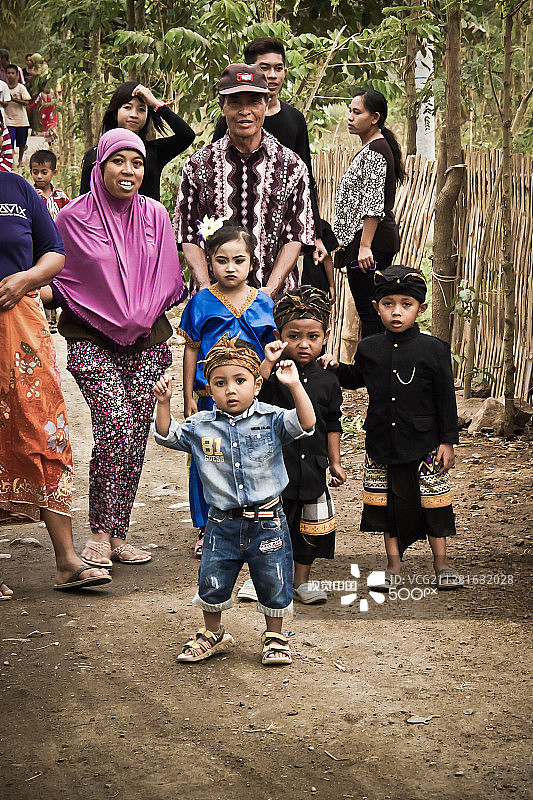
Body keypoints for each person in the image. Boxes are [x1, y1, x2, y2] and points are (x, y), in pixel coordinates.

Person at [49, 129, 187, 569]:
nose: (129, 171)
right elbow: (58, 274)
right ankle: (98, 532)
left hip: (148, 342)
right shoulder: (73, 218)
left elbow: (168, 277)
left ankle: (119, 532)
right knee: (116, 428)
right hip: (91, 339)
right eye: (119, 161)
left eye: (138, 163)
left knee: (135, 438)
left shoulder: (155, 215)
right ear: (100, 164)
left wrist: (139, 310)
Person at [153, 335, 316, 665]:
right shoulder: (201, 426)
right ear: (209, 389)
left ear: (256, 384)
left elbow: (307, 422)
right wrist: (164, 403)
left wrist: (295, 386)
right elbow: (167, 434)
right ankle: (213, 633)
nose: (230, 390)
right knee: (213, 578)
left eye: (239, 381)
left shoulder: (271, 418)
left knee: (273, 578)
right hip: (221, 523)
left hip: (268, 522)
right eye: (220, 382)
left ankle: (275, 635)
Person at [0, 170, 111, 593]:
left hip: (22, 326)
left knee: (46, 429)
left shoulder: (17, 189)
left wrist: (27, 279)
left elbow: (54, 253)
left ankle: (66, 560)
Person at [320, 265, 463, 590]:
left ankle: (441, 565)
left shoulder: (435, 349)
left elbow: (445, 399)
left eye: (406, 304)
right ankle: (393, 567)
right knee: (388, 506)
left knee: (434, 504)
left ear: (420, 308)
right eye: (388, 304)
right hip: (382, 442)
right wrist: (337, 368)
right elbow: (359, 379)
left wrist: (447, 441)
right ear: (376, 307)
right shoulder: (370, 348)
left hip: (425, 444)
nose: (396, 312)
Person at [178, 220, 276, 557]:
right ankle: (208, 527)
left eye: (239, 260)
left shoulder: (263, 302)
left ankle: (252, 524)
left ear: (253, 262)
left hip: (251, 399)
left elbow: (271, 350)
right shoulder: (202, 301)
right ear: (209, 262)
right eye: (221, 260)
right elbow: (191, 347)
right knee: (207, 459)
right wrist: (189, 394)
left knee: (251, 458)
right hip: (209, 399)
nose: (230, 268)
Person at [174, 63, 314, 298]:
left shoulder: (291, 166)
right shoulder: (198, 165)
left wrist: (270, 291)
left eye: (253, 102)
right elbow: (188, 234)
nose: (245, 111)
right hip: (213, 305)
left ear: (266, 104)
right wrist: (207, 289)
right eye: (236, 103)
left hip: (274, 303)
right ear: (222, 107)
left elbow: (295, 236)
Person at [244, 286, 346, 605]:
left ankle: (300, 582)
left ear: (325, 336)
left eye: (313, 336)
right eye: (294, 335)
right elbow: (251, 398)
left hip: (313, 467)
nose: (303, 344)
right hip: (277, 467)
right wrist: (266, 361)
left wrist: (336, 462)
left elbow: (332, 425)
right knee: (269, 526)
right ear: (279, 334)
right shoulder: (272, 375)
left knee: (310, 529)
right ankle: (260, 580)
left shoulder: (329, 380)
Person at [213, 37, 327, 265]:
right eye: (264, 68)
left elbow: (306, 178)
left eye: (278, 68)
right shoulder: (230, 120)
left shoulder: (294, 120)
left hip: (277, 230)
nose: (272, 75)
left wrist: (316, 233)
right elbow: (217, 174)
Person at [333, 88, 404, 339]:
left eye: (357, 112)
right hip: (365, 242)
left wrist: (364, 246)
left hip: (368, 245)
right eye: (350, 112)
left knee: (370, 311)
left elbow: (373, 203)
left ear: (374, 118)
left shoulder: (375, 152)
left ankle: (372, 371)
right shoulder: (374, 148)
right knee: (370, 310)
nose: (350, 117)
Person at [80, 82, 195, 201]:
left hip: (146, 219)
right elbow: (84, 202)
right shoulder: (96, 155)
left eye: (141, 109)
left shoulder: (154, 152)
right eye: (127, 107)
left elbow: (186, 135)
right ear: (115, 113)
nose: (134, 115)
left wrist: (156, 104)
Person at [4, 64, 31, 166]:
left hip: (21, 120)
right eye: (8, 73)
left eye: (12, 73)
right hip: (8, 119)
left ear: (17, 75)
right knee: (9, 142)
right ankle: (12, 161)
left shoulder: (21, 88)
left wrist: (13, 99)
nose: (10, 75)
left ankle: (20, 160)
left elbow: (26, 103)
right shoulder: (3, 87)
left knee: (21, 143)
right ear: (5, 74)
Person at [30, 149, 69, 219]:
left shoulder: (61, 197)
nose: (39, 176)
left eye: (44, 173)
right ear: (31, 172)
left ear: (54, 173)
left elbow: (68, 218)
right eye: (35, 172)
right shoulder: (28, 195)